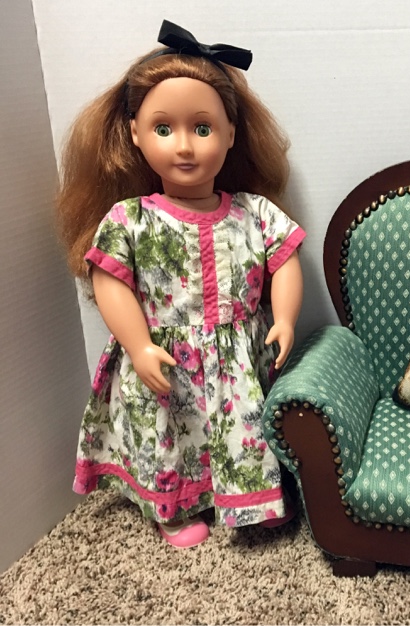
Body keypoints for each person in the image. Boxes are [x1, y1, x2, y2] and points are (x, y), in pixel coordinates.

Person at [55, 20, 305, 548]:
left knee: (244, 427)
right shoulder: (130, 220)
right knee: (168, 434)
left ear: (231, 134)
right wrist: (138, 346)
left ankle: (250, 496)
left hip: (237, 359)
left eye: (203, 128)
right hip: (165, 358)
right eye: (164, 129)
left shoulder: (252, 212)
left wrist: (284, 318)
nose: (185, 146)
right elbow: (111, 281)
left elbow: (285, 259)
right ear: (135, 133)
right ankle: (172, 508)